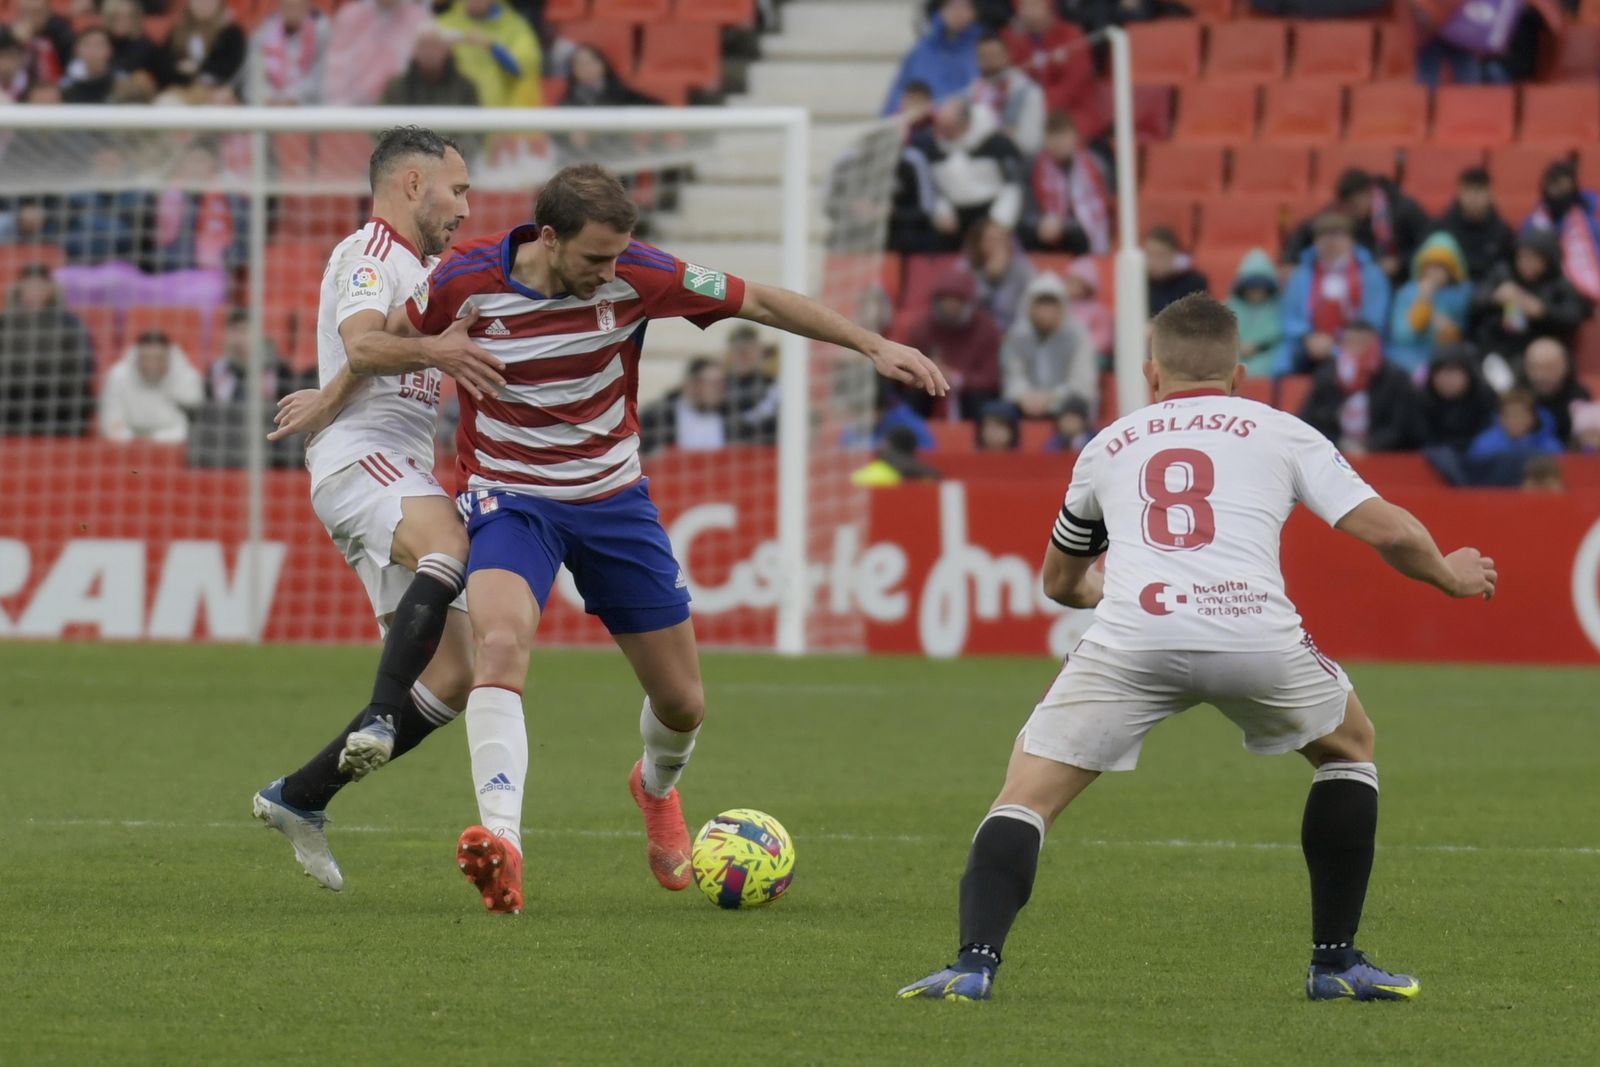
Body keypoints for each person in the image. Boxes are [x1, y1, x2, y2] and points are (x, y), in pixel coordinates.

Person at [897, 291, 1497, 1004]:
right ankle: (1335, 963)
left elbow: (1059, 580)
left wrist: (1098, 593)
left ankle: (973, 962)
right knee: (1349, 746)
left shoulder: (1108, 444)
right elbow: (1389, 531)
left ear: (1152, 376)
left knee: (1026, 793)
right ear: (1239, 375)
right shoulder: (1280, 430)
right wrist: (1449, 575)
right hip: (1253, 632)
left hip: (1134, 636)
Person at [397, 163, 945, 914]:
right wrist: (429, 355)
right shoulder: (464, 279)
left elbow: (764, 301)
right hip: (512, 496)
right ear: (547, 238)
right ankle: (505, 844)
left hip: (613, 497)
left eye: (617, 257)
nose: (609, 272)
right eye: (594, 258)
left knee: (684, 702)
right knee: (498, 646)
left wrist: (870, 345)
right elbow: (388, 339)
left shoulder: (642, 275)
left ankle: (654, 787)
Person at [252, 127, 506, 892]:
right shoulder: (369, 255)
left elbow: (365, 358)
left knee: (459, 673)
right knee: (452, 545)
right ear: (411, 185)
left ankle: (300, 795)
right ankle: (379, 712)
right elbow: (365, 343)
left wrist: (328, 393)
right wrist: (438, 353)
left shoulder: (421, 270)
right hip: (362, 462)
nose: (466, 207)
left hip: (389, 465)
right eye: (457, 191)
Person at [1277, 212, 1391, 376]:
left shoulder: (1371, 274)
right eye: (1324, 236)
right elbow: (1290, 315)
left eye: (1338, 236)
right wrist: (1308, 337)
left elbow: (1374, 316)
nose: (1330, 242)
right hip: (1308, 346)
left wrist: (1338, 340)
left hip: (1356, 341)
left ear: (1350, 240)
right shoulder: (1301, 275)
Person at [1284, 169, 1430, 286]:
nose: (1350, 212)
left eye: (1354, 205)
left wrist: (1399, 263)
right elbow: (1303, 232)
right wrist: (1289, 261)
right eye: (1347, 207)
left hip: (1404, 279)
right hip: (1359, 279)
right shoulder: (1341, 211)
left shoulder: (1404, 209)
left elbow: (1427, 245)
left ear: (1368, 194)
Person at [1470, 228, 1590, 367]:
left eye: (1533, 258)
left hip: (1537, 354)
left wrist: (1543, 312)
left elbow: (1574, 316)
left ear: (1547, 260)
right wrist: (1494, 297)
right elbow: (1474, 301)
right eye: (1521, 257)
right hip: (1495, 347)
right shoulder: (1502, 273)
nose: (1525, 263)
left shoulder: (1560, 285)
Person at [0, 262, 95, 436]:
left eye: (40, 286)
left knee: (78, 399)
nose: (34, 291)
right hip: (12, 394)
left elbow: (85, 367)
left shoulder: (70, 323)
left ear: (51, 289)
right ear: (19, 289)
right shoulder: (4, 322)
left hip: (56, 395)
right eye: (29, 286)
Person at [1301, 321, 1422, 454]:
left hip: (1385, 456)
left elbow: (1403, 425)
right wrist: (1338, 442)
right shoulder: (1327, 375)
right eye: (1350, 342)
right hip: (1335, 453)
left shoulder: (1395, 378)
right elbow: (1310, 420)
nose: (1356, 349)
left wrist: (1369, 447)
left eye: (1363, 343)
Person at [905, 267, 1002, 420]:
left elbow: (991, 376)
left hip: (970, 395)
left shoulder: (986, 329)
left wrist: (957, 378)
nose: (951, 306)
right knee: (914, 396)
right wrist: (931, 375)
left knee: (980, 399)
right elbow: (908, 371)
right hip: (929, 388)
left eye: (958, 300)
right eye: (947, 299)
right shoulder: (922, 328)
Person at [1000, 271, 1096, 421]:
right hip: (1024, 404)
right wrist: (1024, 396)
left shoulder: (1078, 335)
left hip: (1065, 404)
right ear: (1029, 306)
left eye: (1051, 304)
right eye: (1041, 304)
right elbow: (1012, 378)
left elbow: (1082, 384)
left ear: (1062, 307)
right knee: (997, 414)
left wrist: (1051, 398)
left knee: (1075, 410)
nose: (1046, 311)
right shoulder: (1017, 336)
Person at [926, 97, 1025, 239]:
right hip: (957, 220)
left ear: (965, 123)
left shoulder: (997, 144)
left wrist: (1000, 221)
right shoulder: (934, 149)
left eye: (951, 127)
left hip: (993, 214)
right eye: (943, 128)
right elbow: (937, 191)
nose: (946, 133)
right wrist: (943, 213)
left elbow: (1013, 185)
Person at [149, 140, 249, 273]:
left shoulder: (230, 197)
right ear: (182, 166)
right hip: (173, 269)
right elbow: (159, 241)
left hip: (216, 269)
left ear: (213, 165)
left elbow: (242, 242)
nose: (195, 166)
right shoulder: (169, 196)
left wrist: (223, 258)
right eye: (190, 161)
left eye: (201, 160)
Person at [1002, 0, 1096, 139]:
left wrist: (1042, 102)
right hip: (1025, 110)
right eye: (1023, 6)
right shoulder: (1011, 37)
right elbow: (1008, 77)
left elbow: (1075, 82)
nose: (1028, 12)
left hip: (1070, 111)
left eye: (1034, 5)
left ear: (1048, 7)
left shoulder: (1070, 34)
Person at [1021, 112, 1110, 255]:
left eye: (1063, 136)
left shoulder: (1095, 165)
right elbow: (1027, 212)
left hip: (1079, 232)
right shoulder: (1033, 167)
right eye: (1052, 137)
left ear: (1074, 136)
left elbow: (1101, 207)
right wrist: (1041, 224)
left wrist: (1062, 226)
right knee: (1025, 233)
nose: (1058, 143)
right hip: (1045, 229)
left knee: (1078, 234)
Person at [1385, 232, 1471, 377]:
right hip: (1405, 356)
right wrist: (1424, 300)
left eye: (1441, 267)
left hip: (1442, 361)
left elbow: (1458, 337)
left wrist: (1446, 329)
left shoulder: (1462, 295)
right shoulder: (1407, 293)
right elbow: (1402, 335)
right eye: (1429, 267)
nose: (1434, 272)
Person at [97, 330, 205, 443]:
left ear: (169, 357)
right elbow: (111, 422)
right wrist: (134, 441)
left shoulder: (188, 379)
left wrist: (155, 440)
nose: (152, 365)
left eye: (159, 359)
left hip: (172, 446)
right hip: (127, 448)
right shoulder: (117, 377)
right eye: (146, 359)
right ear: (137, 357)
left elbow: (192, 427)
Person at [433, 0, 541, 109]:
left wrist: (492, 47)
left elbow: (523, 70)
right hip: (453, 111)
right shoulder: (444, 24)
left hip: (499, 114)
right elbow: (422, 69)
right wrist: (440, 52)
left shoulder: (516, 27)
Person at [321, 0, 430, 106]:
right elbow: (336, 70)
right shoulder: (351, 16)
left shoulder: (419, 19)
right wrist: (340, 111)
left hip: (402, 107)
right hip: (354, 108)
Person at [1520, 160, 1600, 305]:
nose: (1560, 193)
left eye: (1565, 188)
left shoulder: (1589, 224)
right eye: (1555, 186)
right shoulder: (1532, 224)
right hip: (1541, 287)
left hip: (1581, 293)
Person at [883, 0, 982, 115]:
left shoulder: (981, 48)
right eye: (952, 6)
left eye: (965, 7)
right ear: (941, 10)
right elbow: (898, 93)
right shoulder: (921, 50)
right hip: (919, 125)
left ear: (975, 13)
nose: (958, 13)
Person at [638, 357, 738, 453]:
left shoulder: (732, 419)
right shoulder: (656, 418)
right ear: (692, 385)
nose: (720, 390)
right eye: (714, 384)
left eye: (722, 384)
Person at [968, 33, 1045, 158]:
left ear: (1007, 56)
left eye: (994, 55)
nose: (990, 60)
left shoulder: (1028, 92)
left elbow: (1031, 143)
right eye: (984, 56)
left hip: (1016, 159)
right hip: (978, 158)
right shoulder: (971, 94)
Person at [207, 307, 303, 402]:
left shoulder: (280, 370)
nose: (238, 337)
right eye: (233, 331)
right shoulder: (217, 370)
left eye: (243, 330)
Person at [158, 0, 247, 103]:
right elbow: (164, 63)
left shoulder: (231, 33)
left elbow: (231, 67)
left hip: (218, 90)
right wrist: (180, 68)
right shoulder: (177, 32)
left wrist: (197, 68)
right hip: (183, 88)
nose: (203, 5)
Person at [243, 0, 329, 106]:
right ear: (280, 5)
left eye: (297, 7)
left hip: (306, 105)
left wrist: (291, 97)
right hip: (269, 104)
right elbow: (255, 76)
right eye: (288, 7)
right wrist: (271, 98)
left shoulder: (320, 32)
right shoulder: (263, 32)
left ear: (307, 6)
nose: (292, 12)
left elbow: (320, 76)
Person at [1434, 168, 1513, 283]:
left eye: (1479, 191)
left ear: (1490, 195)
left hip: (1487, 291)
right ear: (1459, 193)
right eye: (1468, 191)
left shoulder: (1502, 231)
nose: (1473, 197)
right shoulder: (1442, 227)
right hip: (1449, 287)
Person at [1418, 344, 1496, 451]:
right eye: (1442, 373)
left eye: (1454, 372)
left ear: (1468, 375)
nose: (1448, 380)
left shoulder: (1485, 399)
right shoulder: (1421, 401)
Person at [961, 218, 1035, 331]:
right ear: (979, 243)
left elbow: (1030, 308)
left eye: (1001, 239)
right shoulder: (965, 269)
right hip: (973, 335)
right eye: (990, 240)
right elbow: (962, 312)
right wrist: (989, 280)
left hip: (1012, 335)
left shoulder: (1023, 270)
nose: (997, 245)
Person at [1520, 336, 1592, 446]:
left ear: (1565, 366)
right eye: (1535, 367)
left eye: (1549, 367)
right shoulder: (1517, 396)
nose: (1541, 375)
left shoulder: (1578, 397)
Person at [1466, 388, 1563, 467]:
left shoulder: (1550, 447)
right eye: (1509, 415)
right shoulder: (1484, 445)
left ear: (1532, 418)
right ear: (1500, 418)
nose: (1515, 420)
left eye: (1521, 415)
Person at [1224, 248, 1282, 379]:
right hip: (1233, 356)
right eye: (1252, 288)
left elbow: (1279, 336)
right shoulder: (1227, 308)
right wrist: (1238, 347)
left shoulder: (1278, 308)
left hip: (1267, 358)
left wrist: (1257, 346)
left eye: (1261, 288)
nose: (1256, 292)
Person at [1146, 226, 1209, 316]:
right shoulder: (1141, 283)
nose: (1153, 261)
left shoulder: (1194, 282)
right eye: (1150, 254)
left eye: (1160, 255)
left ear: (1173, 255)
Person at [1062, 256, 1111, 359]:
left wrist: (1083, 347)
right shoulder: (1061, 307)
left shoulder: (1098, 311)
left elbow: (1103, 337)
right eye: (1068, 281)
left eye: (1075, 283)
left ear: (1087, 286)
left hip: (1091, 355)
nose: (1069, 286)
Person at [59, 27, 119, 103]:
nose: (93, 50)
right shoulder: (64, 86)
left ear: (110, 50)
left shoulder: (120, 82)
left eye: (99, 45)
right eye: (87, 45)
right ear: (76, 49)